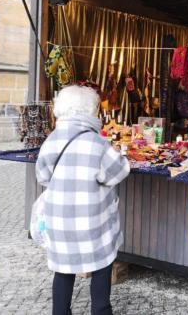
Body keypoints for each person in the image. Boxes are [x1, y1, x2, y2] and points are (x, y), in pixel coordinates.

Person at [36, 85, 130, 315]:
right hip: (92, 221)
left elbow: (42, 177)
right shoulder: (97, 143)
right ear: (89, 110)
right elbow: (117, 173)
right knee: (101, 267)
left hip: (60, 220)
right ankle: (100, 310)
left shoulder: (51, 141)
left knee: (63, 270)